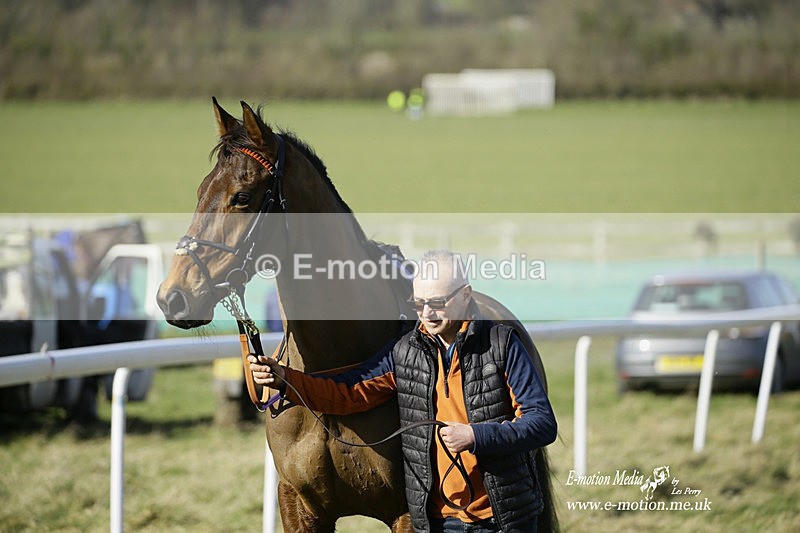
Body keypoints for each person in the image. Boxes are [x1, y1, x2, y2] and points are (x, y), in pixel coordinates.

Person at [249, 250, 557, 533]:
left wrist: (475, 436)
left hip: (503, 519)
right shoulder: (406, 351)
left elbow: (542, 423)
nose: (427, 314)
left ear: (466, 295)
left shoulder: (504, 345)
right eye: (419, 304)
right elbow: (350, 393)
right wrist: (285, 379)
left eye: (437, 303)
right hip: (440, 522)